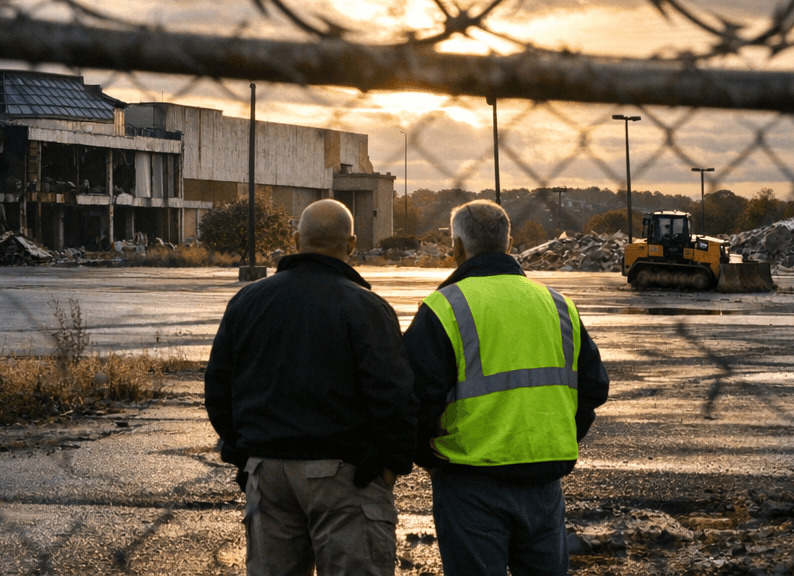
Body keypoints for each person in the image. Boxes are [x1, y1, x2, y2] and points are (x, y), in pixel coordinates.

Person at [205, 198, 417, 576]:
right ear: (351, 245)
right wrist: (391, 465)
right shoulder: (366, 307)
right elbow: (394, 396)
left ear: (295, 239)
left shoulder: (247, 302)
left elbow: (219, 390)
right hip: (344, 476)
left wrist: (245, 452)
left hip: (267, 473)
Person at [403, 200, 610, 576]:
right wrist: (555, 436)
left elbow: (414, 400)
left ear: (457, 249)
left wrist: (429, 459)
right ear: (509, 244)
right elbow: (594, 389)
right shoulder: (558, 306)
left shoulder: (444, 308)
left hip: (471, 480)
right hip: (544, 484)